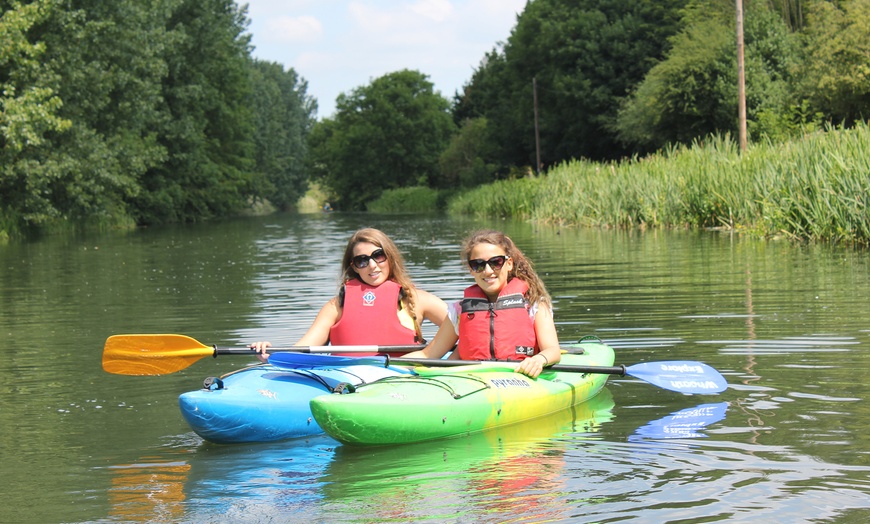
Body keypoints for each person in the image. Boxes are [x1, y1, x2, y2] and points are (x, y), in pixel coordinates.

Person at [250, 228, 447, 361]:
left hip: (402, 379)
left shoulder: (418, 300)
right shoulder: (336, 306)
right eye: (362, 261)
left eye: (378, 256)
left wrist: (431, 353)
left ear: (390, 256)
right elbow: (304, 347)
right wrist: (272, 354)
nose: (372, 265)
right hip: (348, 379)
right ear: (353, 267)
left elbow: (461, 325)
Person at [402, 229, 561, 378]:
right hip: (473, 380)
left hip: (520, 378)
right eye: (478, 264)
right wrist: (383, 365)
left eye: (496, 262)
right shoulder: (459, 311)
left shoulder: (534, 304)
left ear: (509, 263)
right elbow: (427, 355)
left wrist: (539, 360)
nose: (487, 271)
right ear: (471, 269)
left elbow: (553, 350)